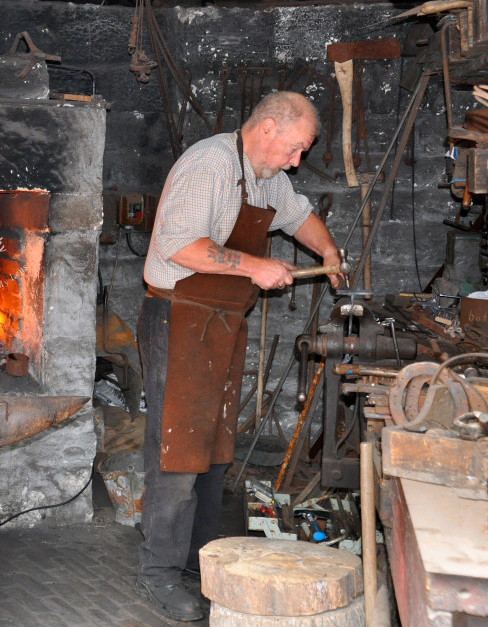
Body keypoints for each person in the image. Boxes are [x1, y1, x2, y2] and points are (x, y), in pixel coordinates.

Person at [134, 91, 342, 622]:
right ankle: (157, 574)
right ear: (268, 129)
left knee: (214, 451)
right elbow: (179, 245)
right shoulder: (209, 164)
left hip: (220, 324)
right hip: (177, 318)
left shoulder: (267, 174)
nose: (297, 161)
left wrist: (327, 250)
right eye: (295, 149)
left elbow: (298, 216)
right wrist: (254, 265)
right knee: (177, 454)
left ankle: (198, 561)